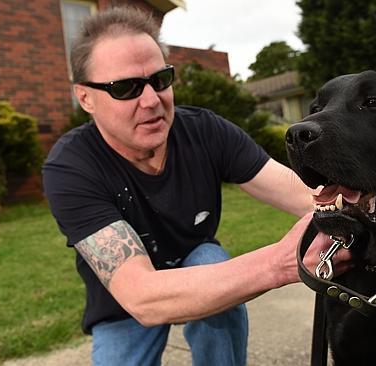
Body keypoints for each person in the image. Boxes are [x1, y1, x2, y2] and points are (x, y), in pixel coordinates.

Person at [42, 7, 350, 366]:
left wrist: (374, 206)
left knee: (210, 260)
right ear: (85, 98)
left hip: (197, 266)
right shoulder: (72, 167)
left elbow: (301, 193)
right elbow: (142, 296)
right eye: (125, 88)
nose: (151, 100)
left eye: (160, 80)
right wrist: (282, 262)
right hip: (122, 299)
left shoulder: (204, 131)